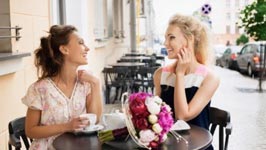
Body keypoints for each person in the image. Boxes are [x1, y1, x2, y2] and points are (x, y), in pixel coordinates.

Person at [22, 25, 103, 149]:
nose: (87, 48)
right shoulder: (39, 89)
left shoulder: (86, 82)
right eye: (81, 43)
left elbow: (95, 119)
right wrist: (67, 126)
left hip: (78, 146)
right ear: (64, 49)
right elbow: (30, 131)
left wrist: (96, 84)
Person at [153, 13, 219, 149]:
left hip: (197, 147)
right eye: (165, 38)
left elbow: (182, 115)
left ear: (189, 40)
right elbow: (155, 116)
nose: (165, 43)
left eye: (171, 37)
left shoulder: (209, 78)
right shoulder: (160, 74)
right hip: (165, 145)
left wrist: (180, 73)